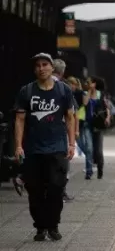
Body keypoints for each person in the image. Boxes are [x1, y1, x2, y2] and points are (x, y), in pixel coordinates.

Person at [14, 53, 76, 242]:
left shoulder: (64, 90)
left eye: (45, 64)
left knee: (57, 188)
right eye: (38, 65)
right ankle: (40, 227)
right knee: (35, 189)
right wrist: (18, 146)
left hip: (57, 148)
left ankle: (53, 225)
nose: (41, 68)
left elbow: (70, 117)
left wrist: (71, 143)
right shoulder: (27, 91)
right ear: (35, 70)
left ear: (51, 68)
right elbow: (19, 119)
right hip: (33, 148)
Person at [51, 59, 75, 202]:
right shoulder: (62, 87)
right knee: (62, 163)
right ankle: (60, 192)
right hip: (59, 131)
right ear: (62, 71)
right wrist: (72, 142)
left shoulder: (35, 86)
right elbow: (70, 115)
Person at [67, 77, 94, 179]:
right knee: (83, 147)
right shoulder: (65, 93)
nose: (72, 86)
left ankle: (89, 170)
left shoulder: (79, 93)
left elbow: (85, 103)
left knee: (87, 147)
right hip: (72, 125)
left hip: (82, 123)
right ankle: (89, 163)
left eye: (73, 84)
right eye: (70, 84)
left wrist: (90, 90)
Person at [87, 77, 111, 179]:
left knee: (98, 149)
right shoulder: (86, 93)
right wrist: (88, 91)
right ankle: (89, 169)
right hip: (87, 124)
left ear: (95, 84)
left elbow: (107, 108)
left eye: (90, 82)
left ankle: (100, 169)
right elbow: (84, 103)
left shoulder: (101, 94)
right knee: (89, 147)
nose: (88, 84)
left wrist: (108, 118)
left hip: (98, 124)